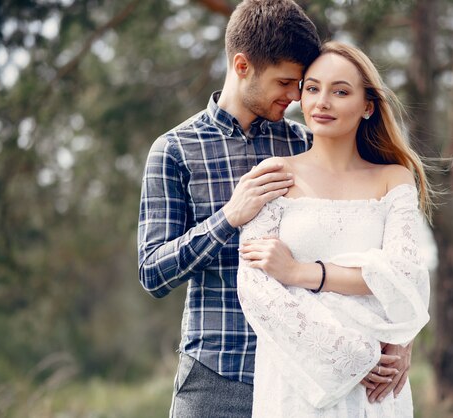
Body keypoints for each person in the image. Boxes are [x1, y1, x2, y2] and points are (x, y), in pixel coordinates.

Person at [137, 1, 320, 416]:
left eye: (300, 84)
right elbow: (152, 272)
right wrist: (228, 218)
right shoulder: (173, 151)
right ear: (242, 66)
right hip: (214, 381)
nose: (295, 97)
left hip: (301, 377)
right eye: (285, 82)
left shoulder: (308, 145)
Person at [237, 41, 432, 417]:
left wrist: (299, 272)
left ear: (367, 106)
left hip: (377, 389)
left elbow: (406, 275)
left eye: (340, 91)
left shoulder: (394, 179)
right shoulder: (275, 175)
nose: (321, 102)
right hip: (299, 383)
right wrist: (354, 358)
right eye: (312, 88)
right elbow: (256, 288)